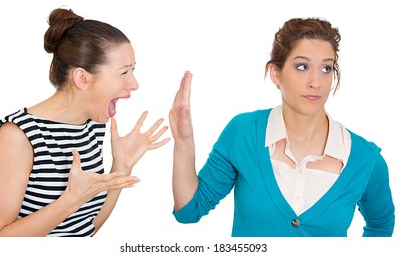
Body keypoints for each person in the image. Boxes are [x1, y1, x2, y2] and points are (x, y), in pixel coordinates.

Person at [169, 18, 395, 237]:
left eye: (326, 68)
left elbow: (381, 224)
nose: (315, 82)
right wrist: (183, 141)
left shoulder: (366, 159)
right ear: (275, 73)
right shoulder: (243, 133)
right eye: (302, 66)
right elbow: (190, 211)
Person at [0, 8, 170, 237]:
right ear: (82, 78)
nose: (134, 84)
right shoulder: (18, 136)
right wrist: (70, 201)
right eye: (124, 72)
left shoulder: (90, 127)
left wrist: (121, 166)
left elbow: (84, 229)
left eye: (133, 70)